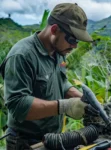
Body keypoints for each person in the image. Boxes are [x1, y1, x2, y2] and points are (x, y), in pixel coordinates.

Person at [0, 3, 99, 150]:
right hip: (25, 142)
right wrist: (65, 106)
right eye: (72, 40)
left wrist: (82, 100)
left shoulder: (58, 52)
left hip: (53, 139)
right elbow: (18, 106)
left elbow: (61, 82)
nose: (75, 46)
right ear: (54, 30)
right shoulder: (22, 55)